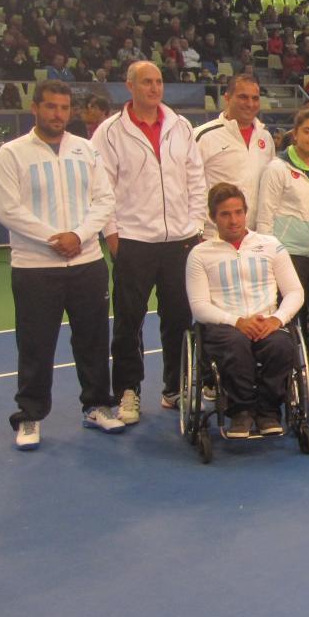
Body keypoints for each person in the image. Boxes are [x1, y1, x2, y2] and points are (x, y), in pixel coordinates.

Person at [0, 81, 124, 449]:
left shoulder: (85, 150)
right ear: (35, 108)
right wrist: (57, 237)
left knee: (94, 340)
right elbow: (8, 209)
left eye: (64, 108)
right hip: (35, 266)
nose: (58, 114)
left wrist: (79, 236)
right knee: (35, 344)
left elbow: (104, 199)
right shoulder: (12, 153)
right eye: (51, 107)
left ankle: (98, 405)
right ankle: (30, 416)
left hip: (87, 262)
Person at [92, 61, 205, 423]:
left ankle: (175, 387)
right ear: (130, 86)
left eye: (158, 82)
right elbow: (100, 188)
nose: (154, 88)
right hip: (134, 241)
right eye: (146, 82)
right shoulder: (109, 132)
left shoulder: (181, 127)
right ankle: (128, 391)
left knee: (178, 318)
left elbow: (196, 179)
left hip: (180, 241)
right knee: (129, 320)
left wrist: (196, 225)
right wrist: (112, 234)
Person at [185, 183, 304, 438]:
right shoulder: (199, 254)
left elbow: (295, 292)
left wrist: (276, 319)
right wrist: (236, 321)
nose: (233, 220)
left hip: (267, 322)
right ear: (212, 217)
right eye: (225, 214)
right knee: (236, 345)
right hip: (225, 327)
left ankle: (268, 412)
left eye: (238, 212)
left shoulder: (271, 245)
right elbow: (199, 306)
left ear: (246, 212)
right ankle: (241, 412)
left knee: (281, 347)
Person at [256, 109, 309, 391]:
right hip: (285, 255)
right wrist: (267, 256)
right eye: (308, 131)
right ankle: (284, 370)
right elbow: (265, 216)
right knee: (285, 316)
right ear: (295, 133)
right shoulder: (277, 168)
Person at [194, 73, 275, 236]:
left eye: (255, 98)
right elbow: (187, 187)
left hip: (252, 237)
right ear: (227, 98)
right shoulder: (203, 136)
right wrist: (197, 231)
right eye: (243, 97)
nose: (250, 104)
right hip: (212, 236)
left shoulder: (265, 137)